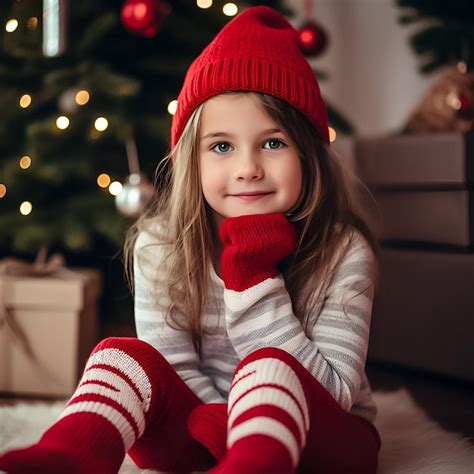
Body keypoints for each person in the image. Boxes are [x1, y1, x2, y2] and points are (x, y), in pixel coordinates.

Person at [0, 6, 382, 474]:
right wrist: (218, 422)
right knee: (122, 356)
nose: (247, 168)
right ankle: (70, 455)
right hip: (205, 429)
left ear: (308, 152)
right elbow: (171, 365)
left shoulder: (343, 251)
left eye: (273, 142)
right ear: (190, 162)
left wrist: (254, 276)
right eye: (222, 146)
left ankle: (252, 465)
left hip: (323, 441)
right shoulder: (160, 245)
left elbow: (333, 394)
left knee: (268, 367)